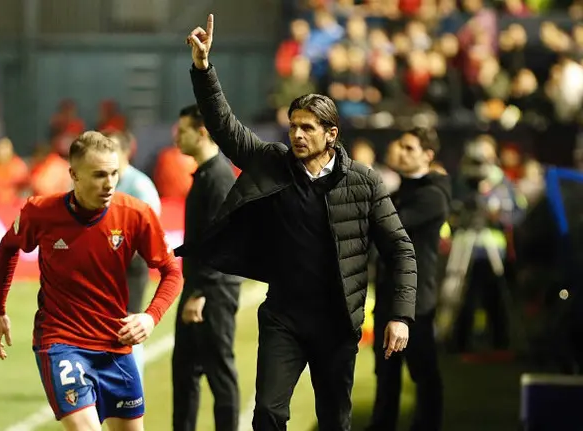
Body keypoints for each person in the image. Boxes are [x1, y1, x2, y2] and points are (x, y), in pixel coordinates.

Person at [178, 15, 417, 431]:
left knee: (334, 421)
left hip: (338, 322)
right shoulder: (272, 164)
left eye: (308, 128)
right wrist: (203, 68)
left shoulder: (364, 181)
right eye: (293, 126)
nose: (298, 135)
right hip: (283, 318)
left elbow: (400, 249)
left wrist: (400, 315)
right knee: (268, 414)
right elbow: (225, 127)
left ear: (331, 135)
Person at [0, 131, 183, 431]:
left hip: (115, 345)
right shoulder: (41, 213)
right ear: (74, 176)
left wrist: (150, 317)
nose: (108, 184)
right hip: (62, 343)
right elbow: (7, 247)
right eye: (98, 175)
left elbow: (172, 272)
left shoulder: (135, 214)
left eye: (114, 173)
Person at [368, 128, 451, 431]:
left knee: (423, 372)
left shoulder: (432, 196)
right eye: (400, 146)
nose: (401, 151)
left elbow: (388, 227)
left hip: (417, 301)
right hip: (389, 294)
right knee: (385, 373)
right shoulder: (402, 191)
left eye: (409, 147)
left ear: (428, 156)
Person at [172, 104, 242, 431]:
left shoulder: (218, 176)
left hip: (212, 290)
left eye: (182, 129)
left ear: (201, 132)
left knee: (218, 370)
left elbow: (224, 239)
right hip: (199, 285)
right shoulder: (205, 173)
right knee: (185, 370)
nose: (176, 135)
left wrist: (200, 292)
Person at [104, 130, 163, 384]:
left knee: (130, 325)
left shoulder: (139, 186)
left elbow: (151, 230)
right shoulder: (106, 181)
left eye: (112, 149)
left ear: (126, 152)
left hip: (131, 266)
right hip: (107, 265)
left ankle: (132, 381)